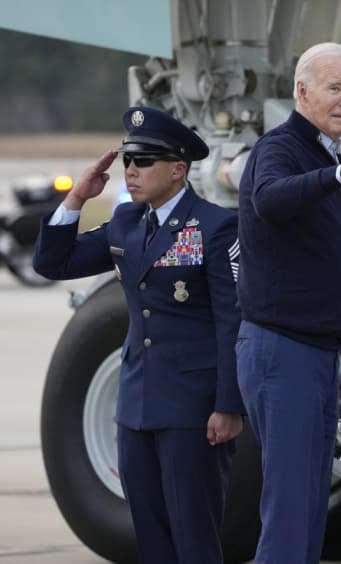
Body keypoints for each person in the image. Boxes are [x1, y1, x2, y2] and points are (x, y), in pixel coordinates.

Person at [33, 107, 245, 564]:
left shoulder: (214, 226)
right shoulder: (127, 223)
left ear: (177, 168)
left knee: (195, 538)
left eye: (144, 161)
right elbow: (53, 264)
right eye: (129, 160)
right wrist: (76, 200)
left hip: (193, 411)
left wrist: (229, 405)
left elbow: (233, 320)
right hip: (136, 407)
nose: (131, 170)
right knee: (149, 539)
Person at [235, 42, 341, 563]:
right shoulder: (280, 148)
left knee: (307, 503)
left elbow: (298, 240)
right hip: (284, 351)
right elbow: (271, 199)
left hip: (314, 347)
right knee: (289, 507)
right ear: (301, 92)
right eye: (335, 88)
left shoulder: (319, 151)